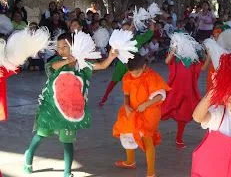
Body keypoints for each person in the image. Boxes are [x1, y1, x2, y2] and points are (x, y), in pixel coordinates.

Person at [24, 33, 118, 177]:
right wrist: (66, 60)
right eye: (58, 47)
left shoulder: (83, 63)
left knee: (67, 141)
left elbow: (102, 65)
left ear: (73, 46)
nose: (61, 50)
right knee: (40, 134)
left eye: (65, 47)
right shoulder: (56, 60)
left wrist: (111, 56)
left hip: (71, 110)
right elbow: (53, 67)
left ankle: (67, 173)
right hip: (51, 107)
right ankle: (28, 158)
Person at [113, 54, 170, 177]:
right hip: (132, 110)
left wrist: (146, 104)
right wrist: (126, 105)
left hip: (149, 112)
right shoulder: (128, 76)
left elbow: (161, 95)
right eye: (132, 72)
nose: (134, 75)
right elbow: (126, 94)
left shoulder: (152, 77)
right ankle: (130, 161)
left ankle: (151, 173)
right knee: (127, 132)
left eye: (137, 72)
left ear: (144, 66)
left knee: (147, 139)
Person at [98, 22, 154, 107]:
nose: (127, 31)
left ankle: (137, 101)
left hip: (134, 64)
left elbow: (150, 33)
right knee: (113, 81)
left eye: (129, 28)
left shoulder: (137, 39)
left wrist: (152, 21)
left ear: (133, 30)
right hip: (122, 64)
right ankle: (104, 97)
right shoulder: (119, 41)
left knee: (134, 83)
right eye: (124, 30)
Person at [161, 47, 203, 148]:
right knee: (162, 109)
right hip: (174, 90)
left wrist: (209, 56)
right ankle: (148, 132)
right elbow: (167, 61)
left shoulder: (193, 60)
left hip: (187, 91)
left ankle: (179, 138)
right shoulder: (175, 58)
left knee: (183, 115)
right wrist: (173, 51)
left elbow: (203, 68)